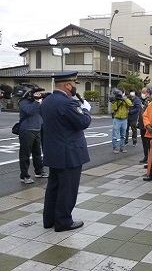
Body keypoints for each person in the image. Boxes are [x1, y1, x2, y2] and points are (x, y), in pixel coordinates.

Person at [40, 71, 92, 232]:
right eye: (75, 84)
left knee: (53, 187)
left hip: (53, 151)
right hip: (69, 153)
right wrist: (86, 110)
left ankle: (49, 219)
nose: (75, 87)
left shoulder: (47, 101)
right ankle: (63, 221)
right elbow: (82, 122)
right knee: (67, 189)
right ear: (68, 85)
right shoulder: (68, 103)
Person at [18, 86, 47, 184]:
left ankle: (39, 171)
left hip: (37, 129)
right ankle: (24, 176)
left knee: (37, 153)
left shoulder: (38, 102)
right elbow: (30, 111)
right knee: (25, 154)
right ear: (30, 94)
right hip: (26, 130)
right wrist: (37, 101)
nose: (39, 95)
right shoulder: (23, 102)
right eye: (37, 93)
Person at [111, 87, 132, 153]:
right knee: (115, 135)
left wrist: (124, 99)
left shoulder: (126, 99)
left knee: (123, 135)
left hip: (124, 119)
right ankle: (115, 147)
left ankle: (122, 147)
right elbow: (114, 108)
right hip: (117, 118)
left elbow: (130, 104)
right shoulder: (116, 99)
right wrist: (115, 101)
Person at [138, 87, 152, 163]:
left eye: (146, 93)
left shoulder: (150, 102)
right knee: (144, 142)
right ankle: (146, 156)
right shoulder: (142, 101)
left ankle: (149, 158)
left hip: (147, 124)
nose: (144, 95)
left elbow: (145, 113)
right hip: (142, 124)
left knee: (149, 143)